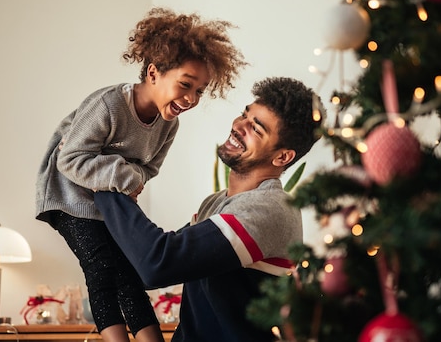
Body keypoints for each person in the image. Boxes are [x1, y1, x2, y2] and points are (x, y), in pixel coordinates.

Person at [35, 7, 249, 342]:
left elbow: (149, 168)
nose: (191, 98)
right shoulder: (108, 105)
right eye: (185, 85)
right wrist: (124, 176)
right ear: (153, 73)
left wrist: (130, 178)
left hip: (111, 202)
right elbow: (70, 159)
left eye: (200, 91)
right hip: (70, 197)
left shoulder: (169, 123)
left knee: (131, 274)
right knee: (101, 269)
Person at [94, 77, 324, 342]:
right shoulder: (216, 203)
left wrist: (103, 179)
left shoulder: (270, 209)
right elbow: (143, 267)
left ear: (282, 157)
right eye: (244, 115)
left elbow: (158, 263)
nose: (238, 126)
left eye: (256, 129)